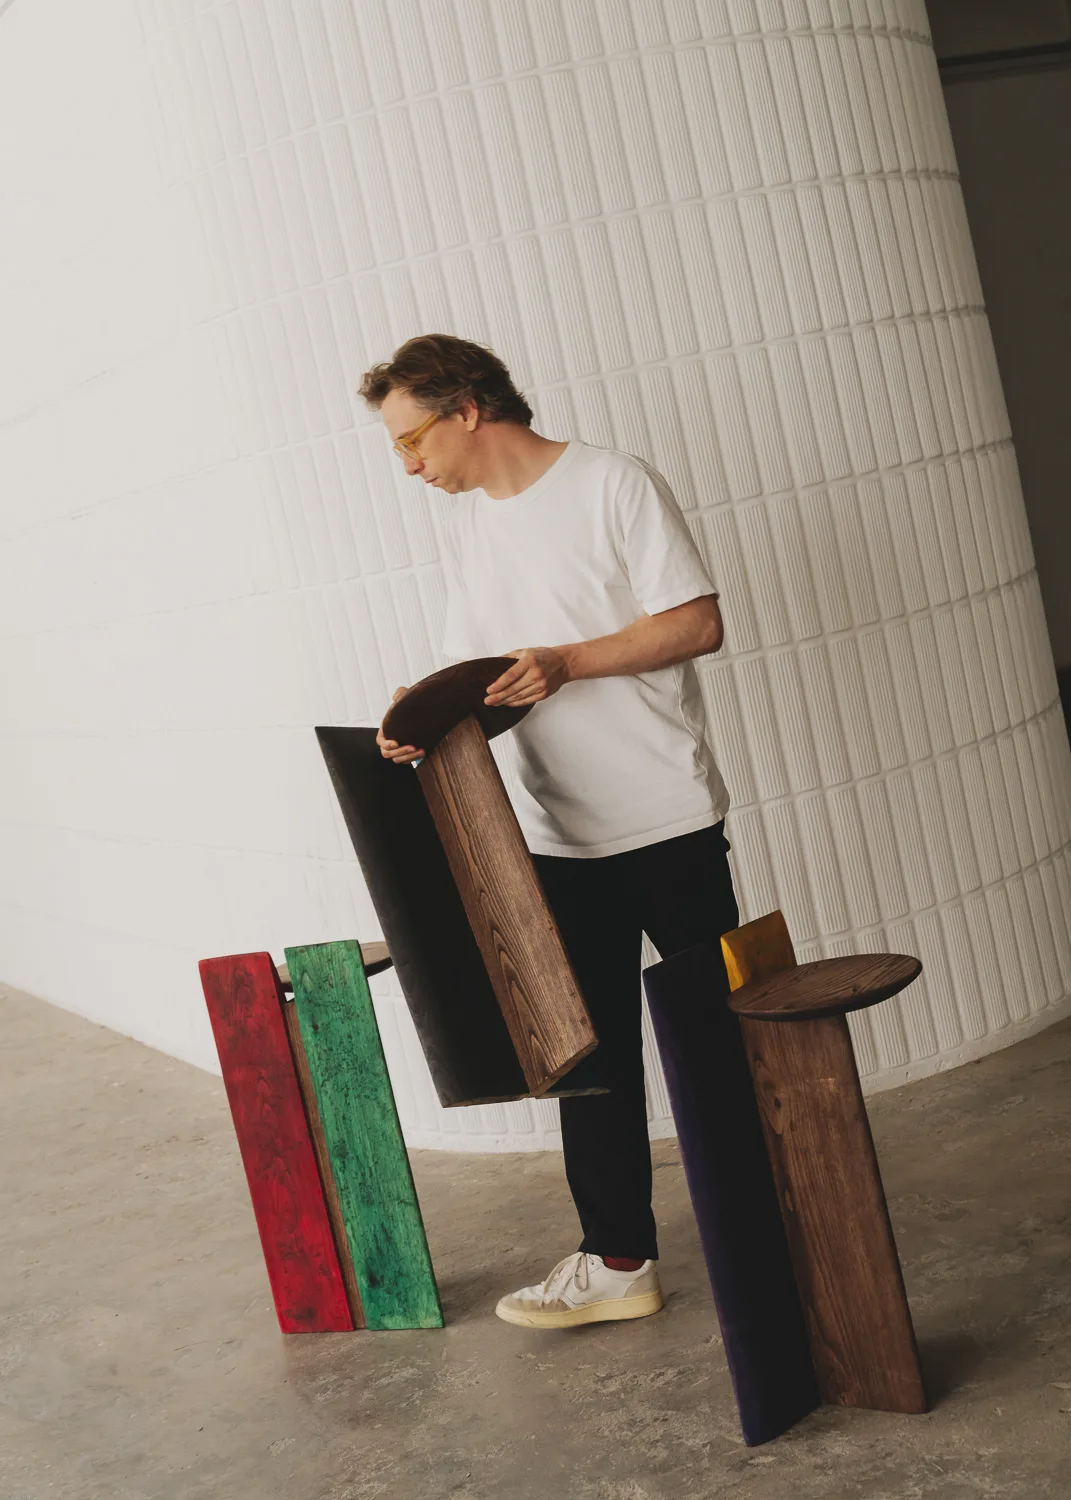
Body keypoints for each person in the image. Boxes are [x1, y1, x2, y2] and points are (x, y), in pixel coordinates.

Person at [361, 334, 739, 1330]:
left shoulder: (613, 483)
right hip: (553, 839)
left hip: (667, 821)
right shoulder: (471, 530)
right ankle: (617, 1262)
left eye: (411, 440)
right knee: (585, 1063)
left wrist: (568, 662)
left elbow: (696, 623)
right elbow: (475, 676)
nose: (408, 466)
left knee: (722, 1046)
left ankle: (769, 1238)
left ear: (467, 407)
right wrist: (415, 715)